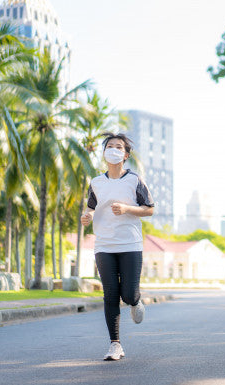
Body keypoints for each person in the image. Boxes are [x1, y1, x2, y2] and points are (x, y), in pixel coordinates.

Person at [81, 133, 155, 361]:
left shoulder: (134, 180)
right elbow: (92, 206)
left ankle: (135, 300)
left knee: (128, 293)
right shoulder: (96, 182)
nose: (113, 149)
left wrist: (126, 208)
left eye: (118, 147)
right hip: (104, 244)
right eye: (109, 146)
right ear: (104, 153)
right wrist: (88, 216)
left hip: (130, 243)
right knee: (110, 294)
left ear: (125, 154)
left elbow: (150, 209)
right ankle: (115, 345)